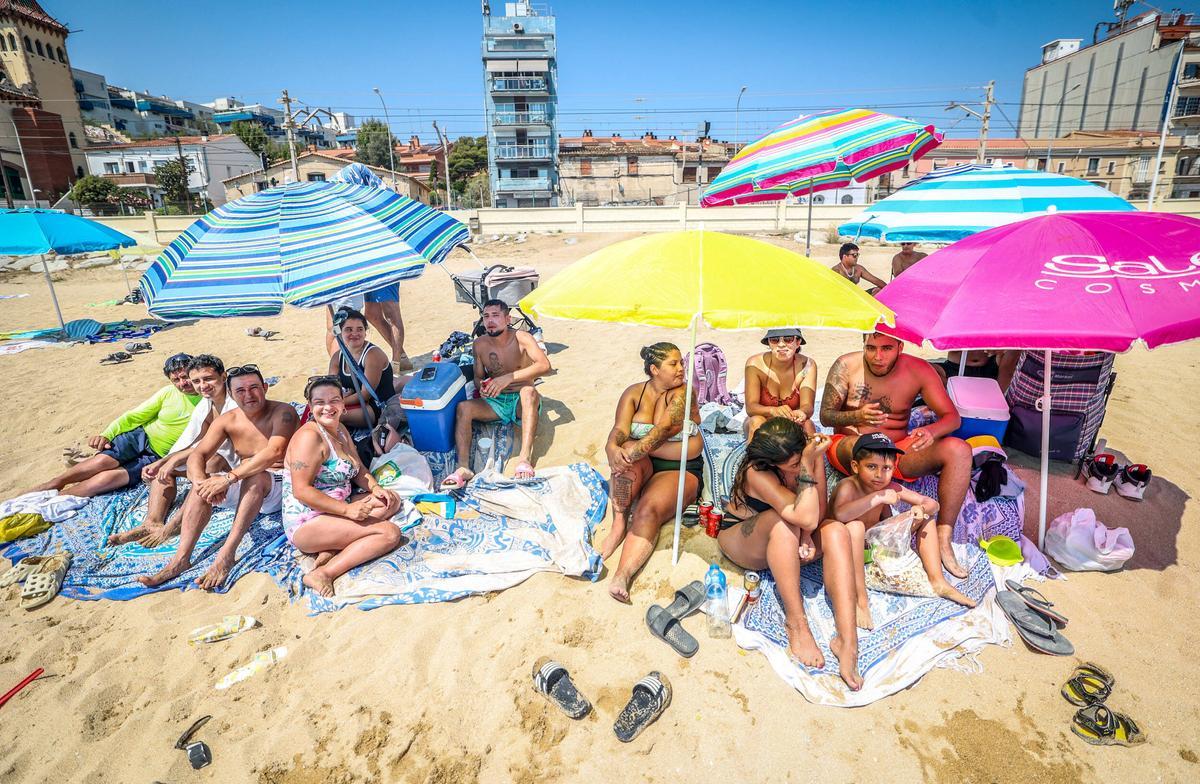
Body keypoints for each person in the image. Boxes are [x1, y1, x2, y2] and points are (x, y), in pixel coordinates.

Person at [715, 419, 863, 690]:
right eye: (792, 466)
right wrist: (806, 465)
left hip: (795, 531)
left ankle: (847, 641)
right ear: (771, 463)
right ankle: (797, 624)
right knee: (782, 524)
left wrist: (806, 535)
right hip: (747, 540)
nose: (797, 469)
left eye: (799, 462)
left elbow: (816, 513)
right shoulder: (757, 473)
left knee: (837, 532)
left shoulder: (809, 453)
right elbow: (801, 517)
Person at [819, 332, 973, 579]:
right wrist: (856, 417)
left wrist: (931, 432)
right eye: (871, 348)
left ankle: (944, 535)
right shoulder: (846, 365)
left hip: (896, 449)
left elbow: (952, 418)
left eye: (886, 348)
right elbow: (825, 415)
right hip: (849, 447)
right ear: (863, 344)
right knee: (861, 445)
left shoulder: (919, 369)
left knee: (960, 449)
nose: (877, 356)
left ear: (900, 347)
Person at [139, 365, 298, 591]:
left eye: (254, 388)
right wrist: (201, 484)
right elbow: (198, 454)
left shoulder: (283, 412)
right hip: (243, 484)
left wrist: (228, 479)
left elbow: (274, 452)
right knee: (204, 483)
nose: (248, 395)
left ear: (265, 387)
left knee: (255, 477)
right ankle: (181, 559)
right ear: (232, 394)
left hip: (278, 485)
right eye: (240, 391)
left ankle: (227, 554)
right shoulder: (226, 420)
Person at [828, 432, 975, 628]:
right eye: (871, 467)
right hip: (851, 548)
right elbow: (840, 516)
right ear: (856, 466)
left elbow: (932, 504)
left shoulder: (891, 486)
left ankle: (938, 581)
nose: (879, 475)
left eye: (886, 468)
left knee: (926, 516)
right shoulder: (848, 487)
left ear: (894, 468)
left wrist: (919, 510)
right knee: (855, 527)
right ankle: (860, 600)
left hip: (877, 543)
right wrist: (878, 497)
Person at [598, 342, 703, 604]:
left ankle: (623, 575)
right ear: (655, 369)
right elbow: (620, 429)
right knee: (624, 470)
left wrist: (630, 451)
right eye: (674, 364)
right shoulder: (634, 393)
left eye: (682, 362)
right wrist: (612, 447)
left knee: (646, 509)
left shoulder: (684, 393)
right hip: (646, 459)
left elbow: (664, 430)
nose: (681, 368)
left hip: (679, 465)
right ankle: (619, 523)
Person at [283, 375, 405, 598]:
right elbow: (301, 491)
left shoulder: (339, 430)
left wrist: (375, 487)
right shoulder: (309, 438)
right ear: (310, 407)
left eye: (334, 400)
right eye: (320, 402)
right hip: (308, 519)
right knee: (389, 534)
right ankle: (324, 573)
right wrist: (348, 510)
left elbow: (357, 470)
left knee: (390, 499)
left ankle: (331, 547)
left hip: (338, 504)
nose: (328, 407)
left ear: (343, 404)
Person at [107, 354, 238, 548]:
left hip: (237, 463)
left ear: (223, 376)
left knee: (210, 464)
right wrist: (164, 462)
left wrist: (172, 461)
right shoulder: (207, 403)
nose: (203, 386)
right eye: (197, 381)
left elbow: (215, 445)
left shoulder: (234, 403)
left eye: (208, 379)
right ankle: (152, 522)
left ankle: (174, 525)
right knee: (161, 471)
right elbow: (195, 439)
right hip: (210, 451)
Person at [27, 353, 199, 498]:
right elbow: (133, 416)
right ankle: (56, 483)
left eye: (185, 377)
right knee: (101, 462)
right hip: (140, 436)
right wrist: (106, 434)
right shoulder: (168, 393)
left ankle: (60, 497)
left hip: (159, 455)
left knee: (108, 479)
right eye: (175, 380)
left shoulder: (207, 397)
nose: (182, 384)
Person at [442, 299, 552, 487]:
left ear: (508, 318)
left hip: (521, 402)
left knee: (529, 392)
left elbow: (545, 366)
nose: (490, 320)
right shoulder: (479, 344)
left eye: (495, 315)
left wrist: (508, 378)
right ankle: (463, 468)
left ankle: (524, 459)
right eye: (486, 316)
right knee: (463, 408)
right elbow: (478, 377)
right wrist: (482, 387)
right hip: (496, 402)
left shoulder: (522, 337)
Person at [327, 306, 397, 430]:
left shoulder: (372, 354)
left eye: (360, 329)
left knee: (334, 417)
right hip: (351, 403)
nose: (354, 334)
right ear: (340, 332)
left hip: (377, 406)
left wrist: (339, 402)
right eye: (348, 329)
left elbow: (365, 394)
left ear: (365, 331)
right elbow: (331, 387)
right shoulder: (337, 357)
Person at [743, 328, 817, 440]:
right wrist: (772, 410)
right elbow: (751, 408)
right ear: (768, 343)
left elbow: (808, 407)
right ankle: (753, 457)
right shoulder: (755, 364)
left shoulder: (807, 366)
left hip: (791, 422)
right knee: (756, 421)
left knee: (808, 425)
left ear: (798, 342)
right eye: (774, 340)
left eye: (788, 339)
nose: (781, 344)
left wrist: (801, 413)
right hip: (763, 420)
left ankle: (814, 457)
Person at [364, 283, 412, 373]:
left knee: (391, 314)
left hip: (382, 272)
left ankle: (395, 365)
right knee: (372, 314)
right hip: (369, 272)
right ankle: (402, 358)